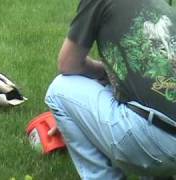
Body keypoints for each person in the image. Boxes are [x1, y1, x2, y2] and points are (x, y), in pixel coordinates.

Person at [45, 0, 176, 179]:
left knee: (59, 90)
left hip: (154, 144)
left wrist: (100, 69)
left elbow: (68, 64)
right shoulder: (161, 4)